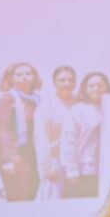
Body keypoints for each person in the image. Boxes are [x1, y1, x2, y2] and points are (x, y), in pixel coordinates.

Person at [61, 71, 110, 198]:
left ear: (106, 87)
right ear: (85, 89)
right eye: (91, 86)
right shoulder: (78, 109)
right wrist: (71, 169)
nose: (96, 89)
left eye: (100, 85)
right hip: (85, 170)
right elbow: (69, 141)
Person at [0, 61, 42, 201]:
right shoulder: (7, 99)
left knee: (32, 193)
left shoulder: (37, 100)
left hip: (33, 154)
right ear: (11, 78)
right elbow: (2, 130)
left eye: (28, 73)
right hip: (15, 155)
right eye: (19, 74)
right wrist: (6, 160)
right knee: (18, 197)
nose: (24, 77)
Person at [33, 65, 77, 200]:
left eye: (70, 80)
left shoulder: (80, 102)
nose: (67, 83)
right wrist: (46, 167)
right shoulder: (46, 107)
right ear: (54, 83)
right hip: (55, 164)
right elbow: (41, 139)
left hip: (76, 165)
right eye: (62, 80)